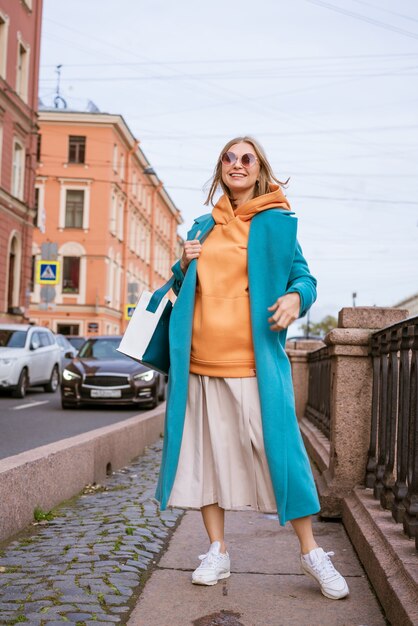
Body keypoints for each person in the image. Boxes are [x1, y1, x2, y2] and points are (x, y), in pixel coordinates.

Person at [154, 136, 349, 600]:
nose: (236, 164)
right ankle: (218, 551)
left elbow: (305, 277)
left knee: (281, 457)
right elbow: (181, 288)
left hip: (253, 365)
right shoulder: (202, 226)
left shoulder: (276, 224)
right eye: (228, 157)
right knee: (205, 459)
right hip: (199, 364)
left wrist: (295, 297)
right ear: (219, 167)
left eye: (246, 158)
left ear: (260, 168)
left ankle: (311, 552)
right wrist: (183, 265)